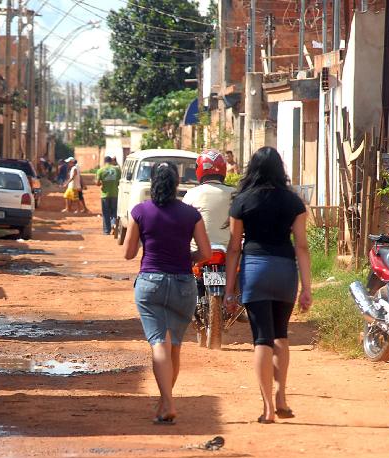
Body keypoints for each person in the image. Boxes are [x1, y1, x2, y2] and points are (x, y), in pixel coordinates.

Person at [224, 146, 311, 424]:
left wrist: (229, 288)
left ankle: (267, 409)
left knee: (262, 337)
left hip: (255, 270)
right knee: (281, 336)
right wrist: (307, 288)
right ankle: (282, 396)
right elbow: (302, 246)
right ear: (280, 169)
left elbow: (234, 248)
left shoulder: (242, 202)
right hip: (285, 271)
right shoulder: (294, 203)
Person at [124, 163, 212, 424]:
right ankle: (164, 404)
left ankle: (169, 404)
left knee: (159, 344)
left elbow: (128, 253)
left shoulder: (140, 211)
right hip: (184, 285)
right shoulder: (190, 214)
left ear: (153, 183)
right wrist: (188, 258)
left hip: (150, 284)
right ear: (176, 184)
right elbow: (206, 254)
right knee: (174, 347)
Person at [183, 149, 235, 249]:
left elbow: (183, 225)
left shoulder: (191, 194)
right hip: (228, 255)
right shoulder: (234, 193)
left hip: (198, 253)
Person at [96, 156, 120, 234]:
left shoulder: (100, 170)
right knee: (114, 211)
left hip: (105, 195)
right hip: (115, 194)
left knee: (106, 213)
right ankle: (114, 224)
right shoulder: (117, 169)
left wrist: (102, 183)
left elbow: (97, 183)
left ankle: (107, 231)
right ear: (111, 161)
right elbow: (120, 181)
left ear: (104, 161)